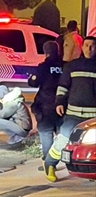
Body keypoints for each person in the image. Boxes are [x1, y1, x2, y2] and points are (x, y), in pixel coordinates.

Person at [48, 36, 96, 181]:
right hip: (74, 113)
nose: (89, 49)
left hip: (93, 116)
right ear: (82, 47)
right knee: (64, 139)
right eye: (86, 45)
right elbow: (63, 87)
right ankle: (50, 164)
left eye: (92, 46)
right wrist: (59, 102)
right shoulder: (72, 66)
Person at [29, 41, 64, 176]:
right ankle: (63, 160)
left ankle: (49, 163)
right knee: (62, 134)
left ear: (46, 52)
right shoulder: (65, 65)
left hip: (46, 104)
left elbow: (33, 82)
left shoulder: (43, 67)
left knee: (46, 132)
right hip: (62, 104)